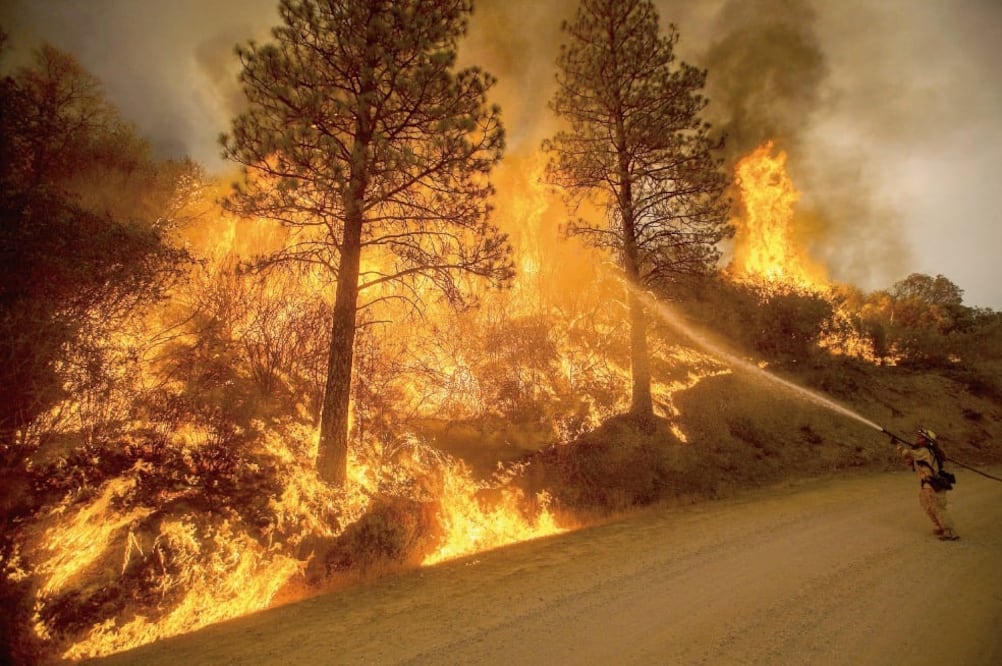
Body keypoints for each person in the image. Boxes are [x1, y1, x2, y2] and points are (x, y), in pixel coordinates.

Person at [896, 428, 958, 541]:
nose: (917, 439)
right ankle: (940, 526)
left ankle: (949, 531)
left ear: (927, 440)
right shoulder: (922, 451)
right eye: (918, 437)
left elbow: (907, 453)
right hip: (927, 485)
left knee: (938, 508)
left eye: (920, 438)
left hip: (933, 485)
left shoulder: (924, 450)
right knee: (928, 506)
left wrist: (898, 445)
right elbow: (910, 460)